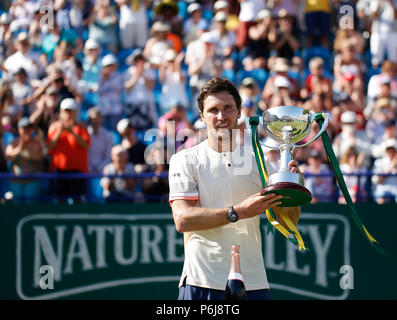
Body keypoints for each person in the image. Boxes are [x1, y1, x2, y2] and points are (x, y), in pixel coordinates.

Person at [169, 77, 301, 300]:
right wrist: (238, 212)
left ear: (239, 112)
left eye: (228, 108)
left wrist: (291, 189)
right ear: (202, 116)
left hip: (254, 282)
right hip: (202, 280)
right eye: (213, 110)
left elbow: (289, 222)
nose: (221, 116)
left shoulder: (259, 162)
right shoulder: (185, 159)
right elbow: (182, 219)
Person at [46, 98, 90, 201]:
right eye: (67, 111)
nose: (69, 114)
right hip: (59, 171)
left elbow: (86, 145)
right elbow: (50, 147)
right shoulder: (54, 127)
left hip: (77, 171)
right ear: (61, 112)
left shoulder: (81, 127)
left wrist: (73, 132)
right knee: (60, 201)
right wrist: (59, 132)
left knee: (77, 201)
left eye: (72, 111)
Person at [5, 117, 43, 202]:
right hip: (16, 182)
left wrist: (26, 151)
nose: (27, 130)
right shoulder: (14, 142)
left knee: (31, 207)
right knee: (17, 208)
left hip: (32, 182)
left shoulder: (36, 143)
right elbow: (8, 156)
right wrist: (20, 148)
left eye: (29, 127)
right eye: (24, 127)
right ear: (19, 129)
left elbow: (38, 157)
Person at [86, 106, 113, 173]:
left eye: (98, 118)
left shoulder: (108, 136)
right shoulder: (84, 134)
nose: (96, 121)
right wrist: (90, 169)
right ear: (89, 119)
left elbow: (108, 156)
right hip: (87, 171)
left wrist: (100, 169)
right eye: (93, 118)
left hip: (102, 171)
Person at [371, 138, 397, 203]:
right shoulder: (379, 162)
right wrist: (391, 167)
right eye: (389, 150)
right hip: (382, 189)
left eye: (392, 150)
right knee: (381, 199)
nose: (390, 152)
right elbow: (376, 181)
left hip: (395, 189)